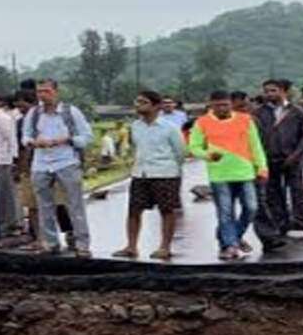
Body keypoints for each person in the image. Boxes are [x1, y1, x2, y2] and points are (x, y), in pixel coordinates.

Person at [190, 89, 269, 261]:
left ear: (231, 104)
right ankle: (229, 246)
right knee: (225, 212)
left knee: (251, 208)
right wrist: (207, 155)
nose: (222, 108)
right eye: (217, 105)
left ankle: (234, 237)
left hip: (245, 172)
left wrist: (262, 167)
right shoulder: (202, 122)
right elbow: (194, 146)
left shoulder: (245, 120)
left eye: (225, 104)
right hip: (219, 174)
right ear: (210, 105)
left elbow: (255, 146)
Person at [22, 78, 94, 257]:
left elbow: (86, 137)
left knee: (74, 204)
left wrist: (66, 139)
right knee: (44, 205)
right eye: (39, 92)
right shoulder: (34, 113)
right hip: (41, 162)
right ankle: (50, 242)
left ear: (56, 92)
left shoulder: (70, 112)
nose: (43, 95)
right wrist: (33, 142)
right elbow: (25, 136)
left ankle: (82, 244)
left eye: (46, 91)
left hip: (66, 161)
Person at [113, 89, 185, 261]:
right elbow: (135, 147)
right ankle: (131, 246)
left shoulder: (170, 128)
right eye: (137, 102)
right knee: (134, 210)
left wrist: (173, 170)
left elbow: (180, 152)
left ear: (156, 106)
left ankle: (165, 247)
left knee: (167, 210)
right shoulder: (135, 126)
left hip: (165, 173)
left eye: (143, 102)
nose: (138, 106)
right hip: (140, 173)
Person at [254, 79, 303, 238]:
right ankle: (280, 224)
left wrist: (296, 154)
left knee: (298, 192)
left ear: (283, 92)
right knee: (273, 194)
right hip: (269, 159)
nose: (269, 94)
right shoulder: (258, 113)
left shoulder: (297, 111)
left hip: (292, 158)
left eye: (273, 90)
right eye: (266, 91)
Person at [0, 92, 21, 235]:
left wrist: (14, 158)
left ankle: (10, 223)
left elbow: (11, 138)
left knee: (4, 193)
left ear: (0, 102)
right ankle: (9, 223)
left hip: (2, 159)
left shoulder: (2, 118)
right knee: (0, 193)